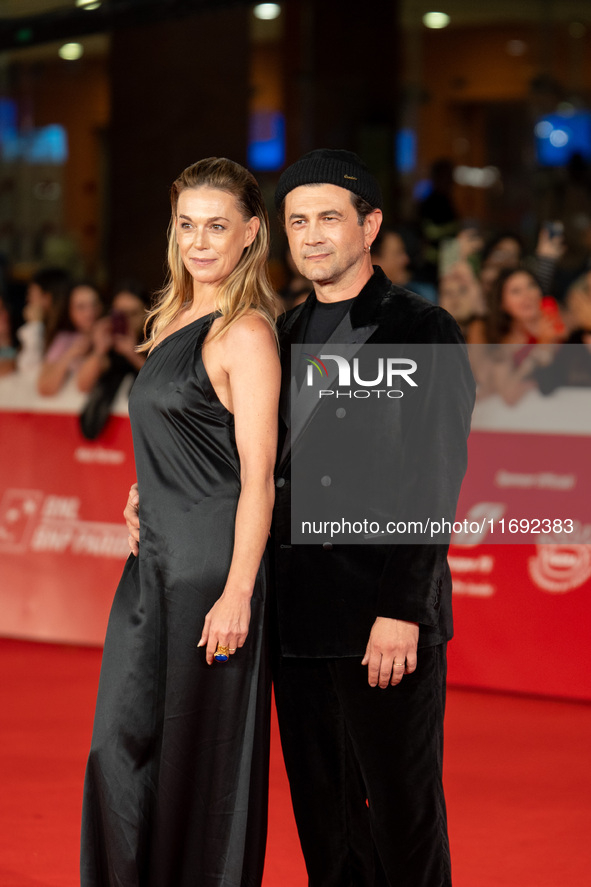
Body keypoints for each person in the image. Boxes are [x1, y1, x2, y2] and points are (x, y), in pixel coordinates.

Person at [122, 149, 474, 887]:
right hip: (297, 619)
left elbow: (432, 481)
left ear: (369, 225)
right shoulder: (277, 333)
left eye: (329, 218)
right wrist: (151, 494)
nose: (311, 235)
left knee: (401, 814)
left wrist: (400, 609)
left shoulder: (420, 327)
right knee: (325, 817)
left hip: (381, 619)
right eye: (297, 220)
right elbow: (243, 462)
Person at [81, 158, 280, 887]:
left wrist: (238, 592)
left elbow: (257, 473)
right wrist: (146, 487)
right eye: (187, 224)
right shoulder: (169, 316)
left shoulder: (246, 333)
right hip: (153, 562)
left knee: (199, 758)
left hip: (208, 575)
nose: (199, 242)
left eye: (217, 227)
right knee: (121, 747)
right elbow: (186, 434)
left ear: (250, 233)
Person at [37, 280, 103, 396]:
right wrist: (72, 352)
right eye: (81, 307)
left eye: (94, 304)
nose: (89, 312)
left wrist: (100, 347)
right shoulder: (64, 339)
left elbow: (84, 385)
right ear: (69, 310)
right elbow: (45, 388)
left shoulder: (110, 336)